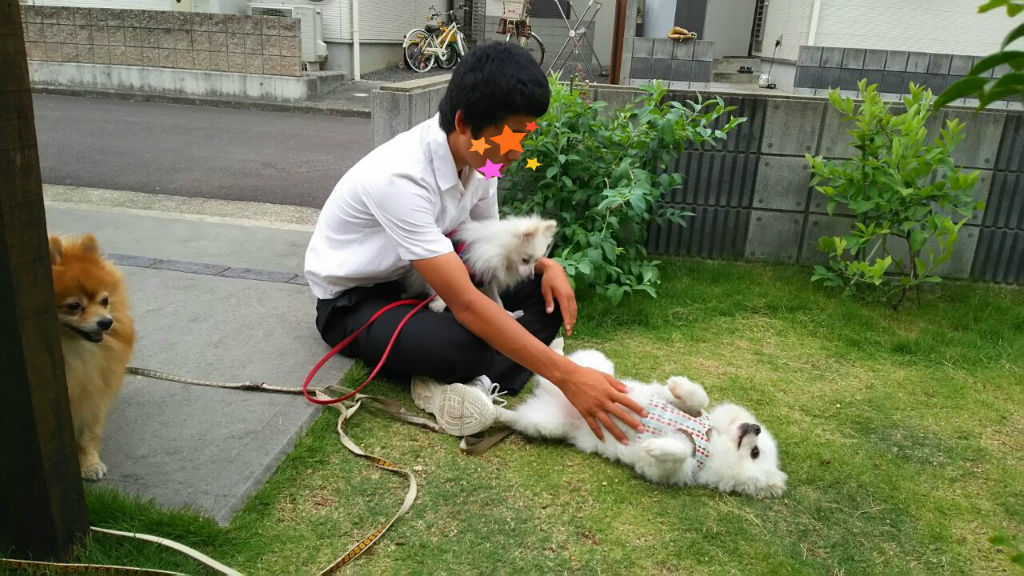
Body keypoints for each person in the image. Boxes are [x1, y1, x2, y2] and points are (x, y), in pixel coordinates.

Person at [304, 42, 646, 443]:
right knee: (464, 343)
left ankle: (474, 382)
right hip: (355, 302)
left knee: (544, 296)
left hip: (422, 283)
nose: (517, 152)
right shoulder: (400, 178)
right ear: (464, 122)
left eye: (524, 133)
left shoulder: (483, 162)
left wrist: (545, 266)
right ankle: (467, 371)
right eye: (511, 135)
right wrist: (567, 376)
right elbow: (466, 303)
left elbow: (491, 254)